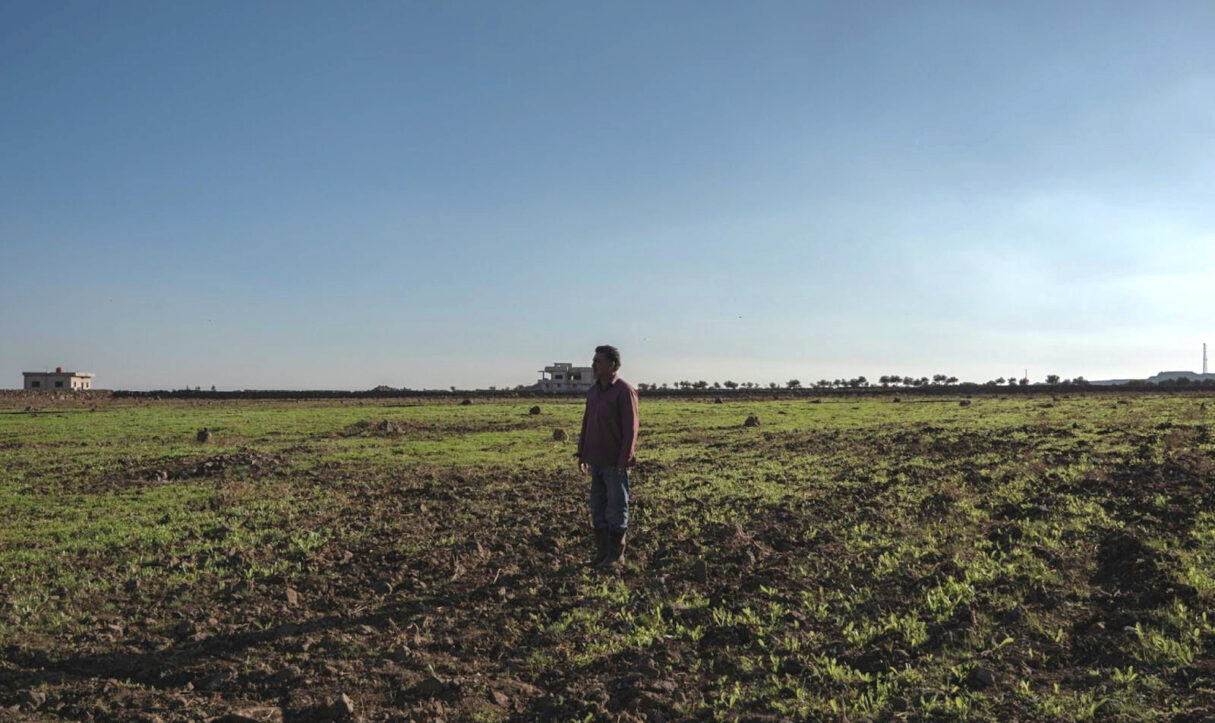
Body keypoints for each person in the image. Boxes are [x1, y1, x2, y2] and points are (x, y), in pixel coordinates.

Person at [576, 345, 639, 571]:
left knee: (616, 506)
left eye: (598, 362)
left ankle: (615, 556)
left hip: (615, 462)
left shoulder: (624, 391)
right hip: (596, 459)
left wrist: (625, 458)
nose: (594, 365)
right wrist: (582, 452)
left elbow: (631, 429)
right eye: (594, 361)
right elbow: (587, 423)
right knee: (598, 506)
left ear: (612, 365)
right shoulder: (593, 392)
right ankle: (602, 553)